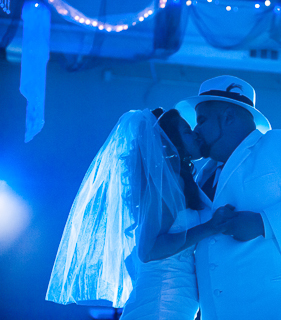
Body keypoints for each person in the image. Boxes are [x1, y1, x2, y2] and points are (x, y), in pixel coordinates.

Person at [175, 75, 281, 319]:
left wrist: (262, 223)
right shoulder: (202, 174)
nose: (196, 130)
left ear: (228, 117)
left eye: (201, 120)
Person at [46, 108, 234, 319]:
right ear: (173, 142)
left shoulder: (174, 182)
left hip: (175, 297)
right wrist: (209, 227)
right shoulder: (168, 186)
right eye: (187, 131)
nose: (196, 134)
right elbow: (149, 250)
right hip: (163, 300)